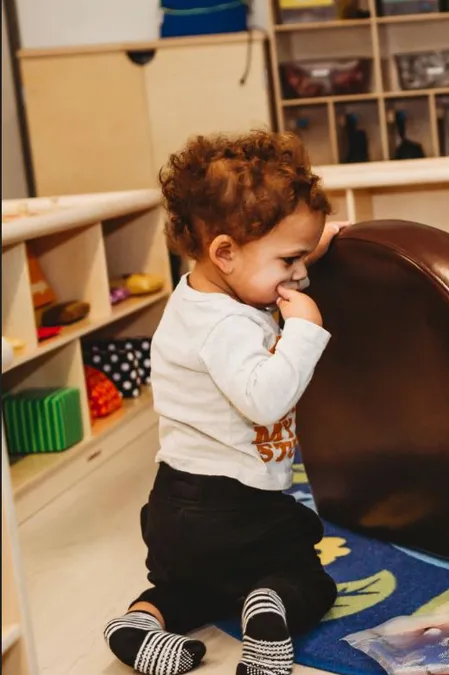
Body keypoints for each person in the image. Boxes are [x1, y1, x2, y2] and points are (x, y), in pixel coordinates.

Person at [102, 131, 348, 675]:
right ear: (226, 251)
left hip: (176, 507)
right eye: (290, 260)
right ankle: (272, 608)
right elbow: (265, 400)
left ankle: (139, 622)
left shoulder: (203, 295)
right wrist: (304, 332)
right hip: (239, 508)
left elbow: (268, 260)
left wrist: (311, 243)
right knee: (309, 578)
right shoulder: (227, 327)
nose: (300, 274)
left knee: (187, 588)